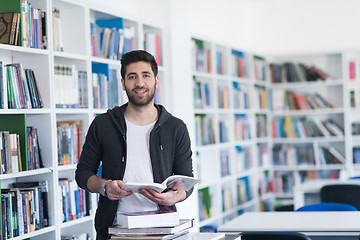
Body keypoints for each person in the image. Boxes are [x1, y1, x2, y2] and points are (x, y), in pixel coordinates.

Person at [75, 50, 194, 240]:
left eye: (146, 75)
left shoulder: (176, 128)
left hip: (162, 229)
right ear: (123, 83)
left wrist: (175, 196)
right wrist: (104, 186)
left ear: (156, 80)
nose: (139, 83)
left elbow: (186, 181)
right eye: (132, 77)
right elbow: (82, 174)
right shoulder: (103, 124)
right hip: (113, 231)